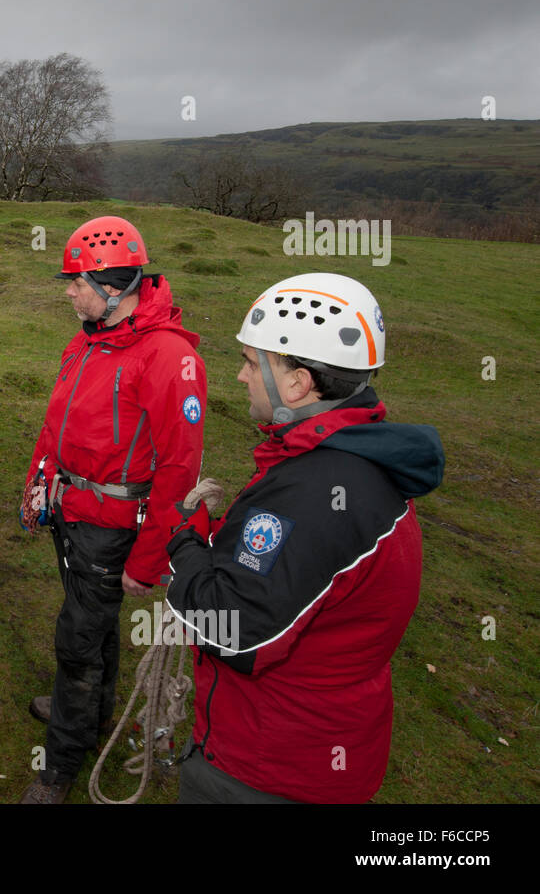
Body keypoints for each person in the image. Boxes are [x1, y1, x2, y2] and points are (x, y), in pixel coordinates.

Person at [164, 272, 443, 804]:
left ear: (298, 383)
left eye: (252, 362)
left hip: (267, 765)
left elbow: (231, 629)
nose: (241, 376)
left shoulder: (317, 493)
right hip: (318, 745)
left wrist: (186, 544)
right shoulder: (352, 462)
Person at [18, 216, 206, 804]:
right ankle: (93, 709)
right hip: (71, 510)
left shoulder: (167, 357)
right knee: (89, 625)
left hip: (110, 530)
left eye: (77, 281)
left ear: (115, 286)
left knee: (76, 639)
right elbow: (59, 420)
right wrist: (37, 485)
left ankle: (61, 764)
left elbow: (180, 470)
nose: (68, 291)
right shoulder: (91, 336)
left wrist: (148, 560)